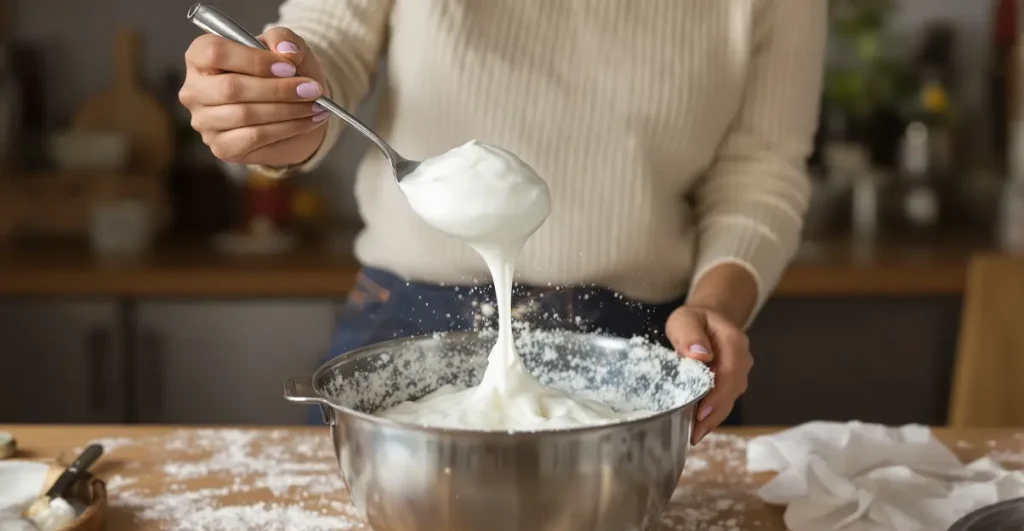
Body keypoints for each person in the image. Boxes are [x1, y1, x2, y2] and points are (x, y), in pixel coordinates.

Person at [179, 0, 826, 443]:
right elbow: (332, 44)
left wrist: (718, 304)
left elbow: (762, 166)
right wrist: (279, 108)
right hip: (407, 322)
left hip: (641, 345)